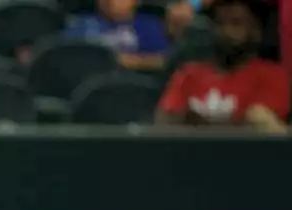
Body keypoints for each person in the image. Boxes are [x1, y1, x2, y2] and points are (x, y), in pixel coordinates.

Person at [155, 0, 288, 133]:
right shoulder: (188, 74)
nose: (226, 31)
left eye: (236, 23)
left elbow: (266, 129)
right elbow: (163, 123)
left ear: (256, 30)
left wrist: (196, 122)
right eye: (220, 23)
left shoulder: (273, 76)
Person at [61, 0, 171, 69]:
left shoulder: (149, 25)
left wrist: (130, 62)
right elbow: (67, 60)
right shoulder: (80, 24)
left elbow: (164, 61)